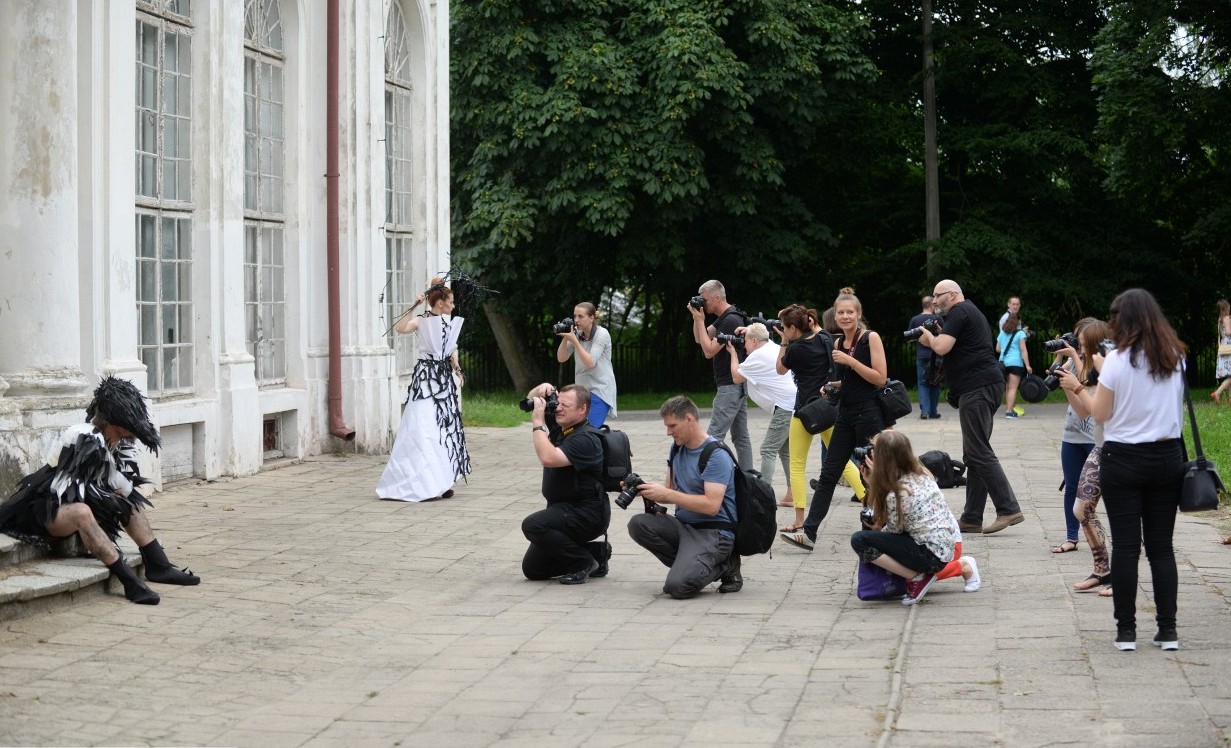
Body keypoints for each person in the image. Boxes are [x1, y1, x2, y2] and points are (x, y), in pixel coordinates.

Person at [0, 376, 200, 605]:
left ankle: (158, 564)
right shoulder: (82, 436)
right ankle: (129, 582)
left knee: (129, 503)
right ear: (115, 423)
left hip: (75, 505)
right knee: (82, 511)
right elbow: (82, 491)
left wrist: (116, 492)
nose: (132, 432)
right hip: (42, 508)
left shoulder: (121, 443)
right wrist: (112, 491)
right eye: (128, 426)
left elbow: (122, 487)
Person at [1064, 289, 1186, 652]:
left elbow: (1099, 414)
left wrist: (1100, 374)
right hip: (1167, 458)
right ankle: (1167, 631)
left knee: (1128, 547)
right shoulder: (1175, 356)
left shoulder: (1117, 361)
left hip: (1124, 459)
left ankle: (1127, 631)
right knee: (1162, 548)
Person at [915, 280, 1024, 535]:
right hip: (983, 386)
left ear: (952, 295)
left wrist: (928, 337)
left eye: (937, 295)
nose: (934, 300)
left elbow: (941, 346)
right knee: (974, 453)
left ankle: (1008, 508)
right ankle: (972, 517)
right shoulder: (966, 312)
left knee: (978, 451)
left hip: (978, 387)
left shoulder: (960, 311)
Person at [783, 288, 887, 551]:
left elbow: (879, 378)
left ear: (859, 314)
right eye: (840, 312)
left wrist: (850, 363)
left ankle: (876, 530)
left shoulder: (869, 338)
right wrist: (833, 385)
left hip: (869, 415)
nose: (845, 316)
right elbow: (850, 380)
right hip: (844, 414)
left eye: (850, 312)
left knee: (872, 475)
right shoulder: (838, 343)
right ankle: (809, 533)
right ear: (835, 315)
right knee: (829, 474)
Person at [625, 396, 742, 598]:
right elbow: (670, 490)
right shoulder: (677, 447)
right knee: (638, 524)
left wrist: (668, 494)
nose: (668, 432)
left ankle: (726, 564)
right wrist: (641, 487)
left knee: (677, 587)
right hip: (685, 527)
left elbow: (712, 506)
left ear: (689, 419)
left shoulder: (715, 455)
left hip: (714, 533)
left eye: (672, 426)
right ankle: (692, 564)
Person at [849, 430, 979, 605]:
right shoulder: (922, 473)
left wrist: (874, 485)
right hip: (945, 545)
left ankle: (918, 577)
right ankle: (920, 575)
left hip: (932, 554)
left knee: (860, 540)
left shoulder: (897, 492)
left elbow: (892, 531)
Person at [376, 278, 471, 502]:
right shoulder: (421, 321)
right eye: (451, 302)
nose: (453, 306)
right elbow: (400, 328)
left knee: (442, 428)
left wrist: (457, 370)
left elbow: (451, 351)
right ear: (440, 303)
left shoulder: (448, 323)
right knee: (422, 425)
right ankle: (420, 480)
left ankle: (442, 481)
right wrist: (413, 306)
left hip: (443, 381)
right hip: (426, 380)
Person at [775, 303, 865, 536]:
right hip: (829, 407)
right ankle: (870, 503)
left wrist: (784, 342)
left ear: (793, 328)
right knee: (844, 461)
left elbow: (780, 369)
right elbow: (811, 327)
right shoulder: (825, 338)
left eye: (786, 328)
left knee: (797, 465)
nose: (784, 331)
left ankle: (798, 519)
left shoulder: (794, 350)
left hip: (805, 411)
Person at [521, 383, 611, 585]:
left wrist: (537, 424)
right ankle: (596, 553)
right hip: (564, 509)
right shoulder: (564, 428)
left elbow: (548, 457)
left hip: (587, 513)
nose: (558, 409)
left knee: (533, 525)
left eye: (565, 405)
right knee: (533, 569)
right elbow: (530, 397)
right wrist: (540, 390)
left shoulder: (586, 438)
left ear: (582, 409)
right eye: (557, 403)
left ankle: (583, 562)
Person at [1056, 319, 1114, 598]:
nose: (1078, 350)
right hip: (1101, 449)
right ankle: (1101, 569)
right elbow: (1082, 412)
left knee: (1120, 513)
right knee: (1081, 509)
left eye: (1081, 345)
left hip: (1118, 451)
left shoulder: (1110, 370)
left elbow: (1098, 412)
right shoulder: (1093, 370)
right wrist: (1067, 383)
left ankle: (1120, 578)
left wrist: (1077, 386)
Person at [725, 322, 795, 505]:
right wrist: (748, 330)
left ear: (754, 341)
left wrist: (733, 353)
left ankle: (763, 497)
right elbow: (759, 333)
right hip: (792, 404)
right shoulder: (772, 346)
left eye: (746, 342)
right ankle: (792, 494)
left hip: (785, 407)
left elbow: (736, 377)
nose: (744, 346)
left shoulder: (757, 356)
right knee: (784, 451)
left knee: (767, 449)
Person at [689, 280, 754, 469]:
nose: (703, 303)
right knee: (741, 437)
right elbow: (699, 338)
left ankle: (705, 477)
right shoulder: (726, 316)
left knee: (714, 435)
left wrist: (701, 321)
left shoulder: (731, 320)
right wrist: (696, 318)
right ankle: (748, 478)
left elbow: (708, 351)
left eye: (705, 300)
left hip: (730, 386)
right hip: (737, 385)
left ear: (717, 298)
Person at [1049, 318, 1096, 556]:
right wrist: (1059, 361)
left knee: (1103, 490)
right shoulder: (1072, 360)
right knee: (1071, 487)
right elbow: (1051, 383)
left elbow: (1086, 383)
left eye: (1081, 339)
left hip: (1094, 436)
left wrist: (1073, 364)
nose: (1077, 343)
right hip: (1072, 433)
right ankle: (1071, 537)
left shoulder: (1099, 362)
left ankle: (1130, 536)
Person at [556, 301, 617, 427]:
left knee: (590, 429)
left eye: (580, 316)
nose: (576, 320)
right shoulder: (577, 334)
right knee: (577, 429)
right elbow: (561, 358)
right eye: (574, 316)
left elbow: (590, 362)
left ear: (592, 318)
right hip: (582, 391)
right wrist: (566, 337)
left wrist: (574, 341)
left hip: (600, 390)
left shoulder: (602, 334)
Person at [909, 295, 942, 420]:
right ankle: (933, 411)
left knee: (922, 383)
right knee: (935, 382)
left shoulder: (915, 319)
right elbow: (944, 333)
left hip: (922, 356)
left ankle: (925, 411)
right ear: (932, 305)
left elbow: (910, 338)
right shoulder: (937, 318)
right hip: (936, 355)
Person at [996, 312, 1032, 419]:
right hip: (1015, 363)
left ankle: (1009, 409)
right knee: (1013, 388)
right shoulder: (1020, 334)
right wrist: (1028, 365)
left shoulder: (1002, 333)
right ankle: (1009, 411)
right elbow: (1023, 350)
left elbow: (997, 348)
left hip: (1003, 363)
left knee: (1008, 388)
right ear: (1018, 322)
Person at [1213, 299, 1231, 405]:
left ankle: (1230, 400)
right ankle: (1217, 392)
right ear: (1225, 308)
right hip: (1229, 347)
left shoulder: (1219, 319)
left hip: (1224, 347)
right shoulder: (1227, 318)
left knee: (1229, 374)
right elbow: (1229, 332)